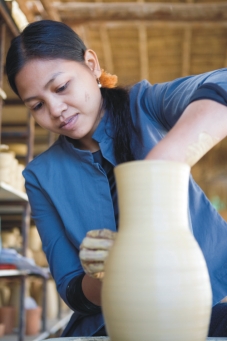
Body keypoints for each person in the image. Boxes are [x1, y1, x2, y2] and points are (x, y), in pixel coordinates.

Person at [5, 19, 227, 337]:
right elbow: (70, 288)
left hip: (193, 307)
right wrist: (106, 275)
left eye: (61, 87)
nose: (55, 109)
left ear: (91, 65)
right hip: (110, 322)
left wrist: (161, 165)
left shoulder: (146, 106)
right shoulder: (41, 176)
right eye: (37, 105)